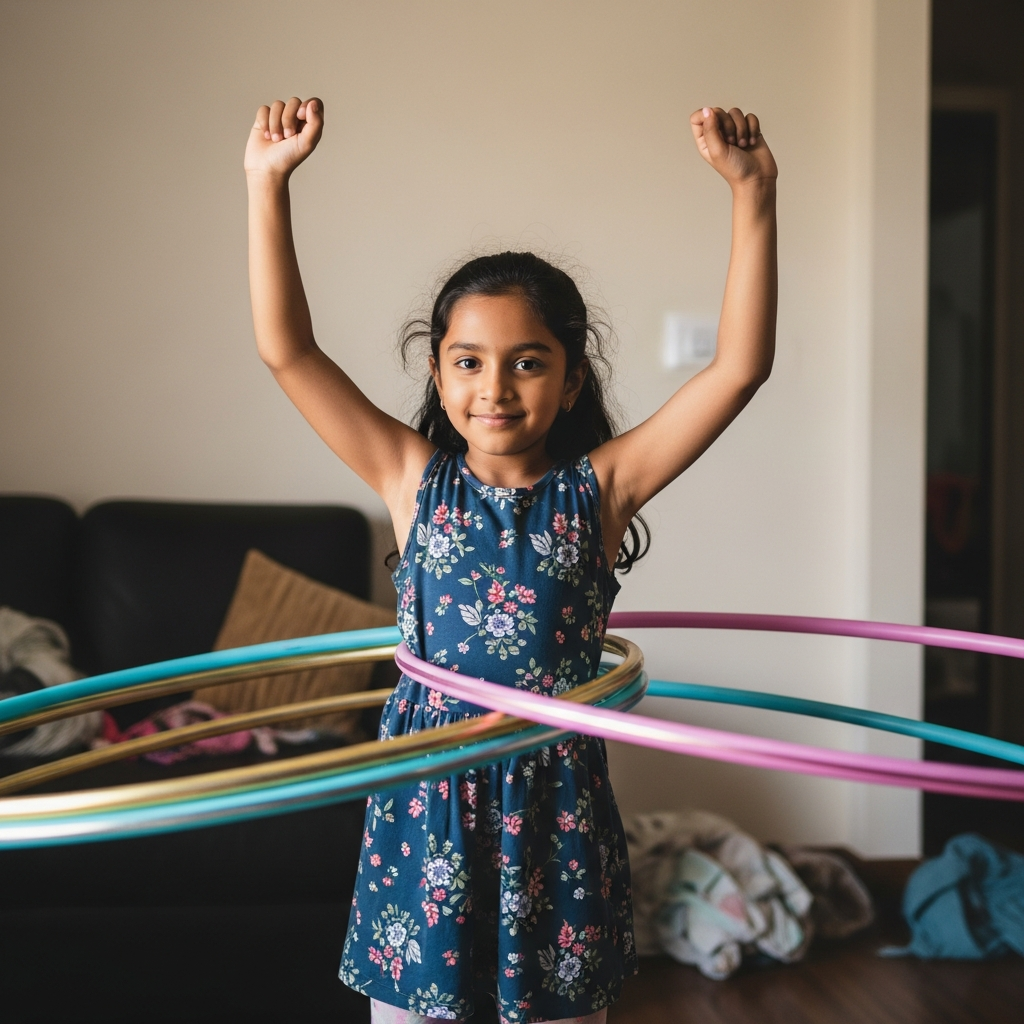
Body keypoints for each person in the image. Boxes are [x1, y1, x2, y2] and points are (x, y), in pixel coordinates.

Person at [244, 95, 777, 1024]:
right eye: (468, 361)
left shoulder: (602, 491)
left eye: (528, 362)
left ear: (572, 378)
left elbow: (738, 368)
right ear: (438, 373)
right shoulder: (410, 479)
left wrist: (754, 195)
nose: (495, 387)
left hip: (555, 806)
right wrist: (266, 185)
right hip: (427, 802)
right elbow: (287, 351)